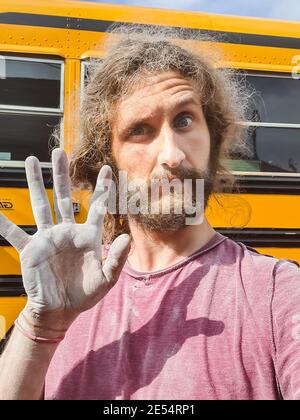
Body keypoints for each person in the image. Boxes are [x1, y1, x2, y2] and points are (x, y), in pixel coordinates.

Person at [0, 26, 300, 401]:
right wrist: (40, 326)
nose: (172, 156)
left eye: (185, 120)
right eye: (140, 130)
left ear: (214, 138)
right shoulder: (70, 288)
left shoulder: (278, 292)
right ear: (107, 162)